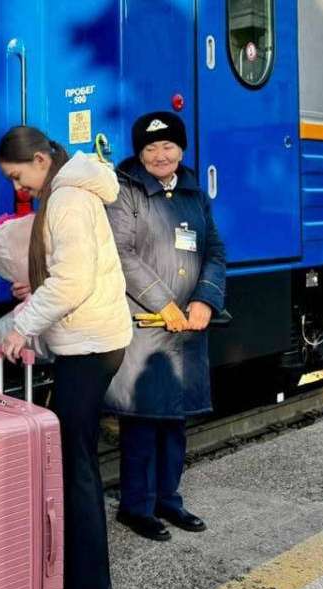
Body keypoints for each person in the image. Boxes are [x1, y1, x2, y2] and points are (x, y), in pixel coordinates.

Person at [0, 126, 132, 589]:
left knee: (76, 465)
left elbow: (73, 282)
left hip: (90, 345)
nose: (18, 189)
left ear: (39, 160)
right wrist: (33, 292)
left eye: (18, 177)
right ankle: (79, 580)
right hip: (90, 340)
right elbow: (69, 273)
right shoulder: (64, 192)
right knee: (74, 460)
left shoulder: (69, 199)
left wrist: (20, 327)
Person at [104, 111, 227, 542]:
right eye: (151, 148)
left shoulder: (193, 190)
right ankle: (136, 506)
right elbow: (121, 253)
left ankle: (168, 500)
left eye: (168, 146)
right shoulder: (126, 190)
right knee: (142, 418)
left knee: (174, 418)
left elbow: (214, 249)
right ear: (139, 153)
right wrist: (165, 303)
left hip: (188, 323)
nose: (160, 155)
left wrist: (205, 300)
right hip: (146, 322)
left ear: (181, 149)